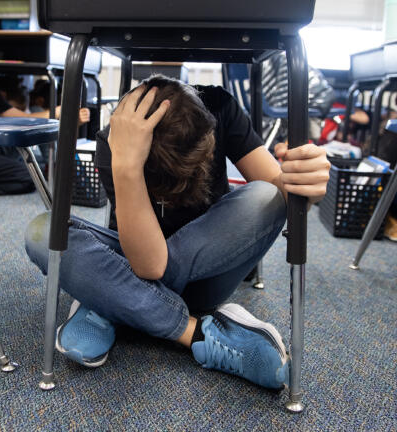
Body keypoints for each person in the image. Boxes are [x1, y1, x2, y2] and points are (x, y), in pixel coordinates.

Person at [25, 75, 329, 390]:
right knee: (44, 231)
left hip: (207, 273)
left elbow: (278, 190)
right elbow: (151, 266)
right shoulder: (113, 142)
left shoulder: (220, 107)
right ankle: (196, 332)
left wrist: (305, 185)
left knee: (266, 195)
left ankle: (109, 300)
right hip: (140, 256)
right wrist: (127, 165)